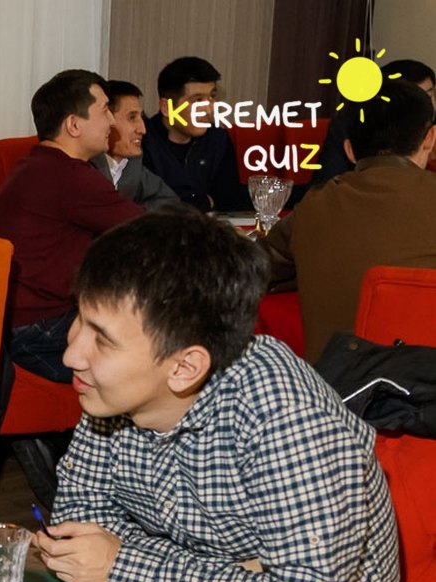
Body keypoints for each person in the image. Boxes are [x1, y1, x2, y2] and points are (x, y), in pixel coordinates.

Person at [35, 205, 399, 582]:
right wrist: (241, 573)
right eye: (79, 318)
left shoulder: (283, 416)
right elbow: (78, 528)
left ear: (185, 368)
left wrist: (123, 563)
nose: (72, 354)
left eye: (102, 340)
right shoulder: (112, 393)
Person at [0, 70, 143, 384]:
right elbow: (149, 228)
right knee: (156, 347)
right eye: (105, 111)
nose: (112, 122)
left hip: (12, 318)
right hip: (35, 328)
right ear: (73, 125)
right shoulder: (69, 176)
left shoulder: (38, 164)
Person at [261, 80, 436, 362]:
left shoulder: (313, 206)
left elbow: (251, 269)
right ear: (430, 138)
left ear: (349, 150)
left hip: (334, 382)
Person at [140, 56, 250, 211]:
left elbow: (230, 197)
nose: (209, 109)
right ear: (167, 108)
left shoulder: (218, 138)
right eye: (197, 100)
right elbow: (153, 205)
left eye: (212, 97)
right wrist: (205, 201)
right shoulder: (142, 140)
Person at [309, 58, 436, 190]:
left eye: (429, 95)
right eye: (411, 101)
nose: (423, 107)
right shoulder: (350, 126)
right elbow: (325, 182)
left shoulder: (432, 127)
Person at [91, 79, 179, 209]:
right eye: (132, 117)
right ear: (106, 119)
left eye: (141, 117)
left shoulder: (132, 164)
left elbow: (170, 202)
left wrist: (132, 214)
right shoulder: (83, 163)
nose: (142, 130)